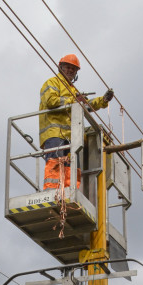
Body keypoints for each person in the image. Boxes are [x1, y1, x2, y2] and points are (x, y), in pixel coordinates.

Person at [39, 54, 113, 190]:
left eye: (73, 69)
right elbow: (50, 101)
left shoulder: (72, 90)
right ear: (60, 68)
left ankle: (69, 192)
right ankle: (51, 191)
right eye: (68, 67)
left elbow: (86, 106)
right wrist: (74, 100)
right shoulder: (52, 83)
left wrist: (103, 101)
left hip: (70, 136)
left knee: (71, 168)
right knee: (55, 163)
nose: (70, 71)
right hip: (54, 133)